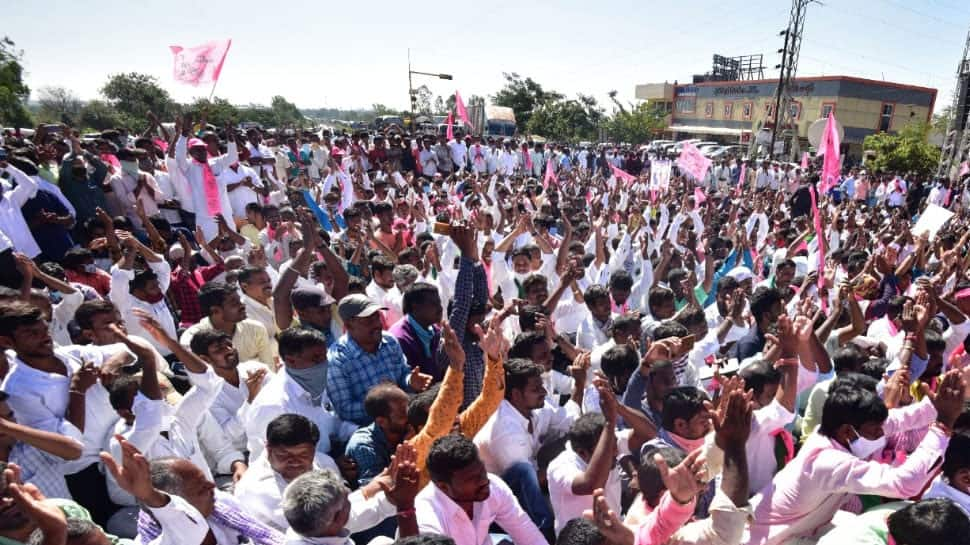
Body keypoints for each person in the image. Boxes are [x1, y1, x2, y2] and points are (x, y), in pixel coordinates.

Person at [102, 437, 282, 545]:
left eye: (207, 481)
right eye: (201, 488)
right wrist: (150, 496)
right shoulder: (157, 540)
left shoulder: (221, 503)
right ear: (178, 502)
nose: (213, 487)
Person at [245, 327, 357, 461]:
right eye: (316, 358)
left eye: (324, 356)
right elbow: (284, 460)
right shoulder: (274, 405)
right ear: (290, 360)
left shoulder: (315, 385)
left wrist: (361, 432)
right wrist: (333, 464)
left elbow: (333, 425)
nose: (324, 364)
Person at [416, 434, 549, 545]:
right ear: (443, 486)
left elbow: (528, 534)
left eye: (482, 471)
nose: (484, 480)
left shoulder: (493, 486)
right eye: (471, 479)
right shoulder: (426, 517)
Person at [326, 294, 432, 426]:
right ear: (349, 325)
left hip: (403, 421)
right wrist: (386, 407)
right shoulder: (337, 359)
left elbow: (403, 374)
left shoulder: (390, 341)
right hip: (369, 431)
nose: (377, 324)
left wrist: (410, 381)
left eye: (377, 317)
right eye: (368, 321)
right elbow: (345, 410)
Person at [179, 282, 275, 367]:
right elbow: (206, 379)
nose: (242, 305)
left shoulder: (255, 328)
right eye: (234, 303)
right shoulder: (191, 340)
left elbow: (269, 369)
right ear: (215, 310)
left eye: (239, 300)